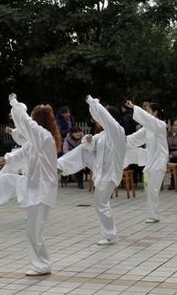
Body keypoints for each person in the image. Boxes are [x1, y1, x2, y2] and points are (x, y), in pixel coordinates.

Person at [0, 94, 61, 276]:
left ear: (37, 121)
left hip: (42, 191)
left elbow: (25, 122)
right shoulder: (35, 140)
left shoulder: (43, 137)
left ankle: (43, 265)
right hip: (32, 186)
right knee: (6, 179)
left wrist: (14, 102)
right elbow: (20, 153)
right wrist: (6, 159)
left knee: (34, 232)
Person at [58, 96, 126, 246]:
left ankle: (110, 235)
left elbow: (106, 119)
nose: (99, 121)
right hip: (102, 173)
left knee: (101, 202)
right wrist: (89, 140)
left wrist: (94, 103)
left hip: (110, 174)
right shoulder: (102, 135)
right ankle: (60, 166)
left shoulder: (118, 132)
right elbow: (91, 146)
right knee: (101, 203)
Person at [125, 101, 168, 223]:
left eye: (148, 111)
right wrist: (121, 140)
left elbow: (148, 120)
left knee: (153, 189)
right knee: (148, 188)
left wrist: (134, 107)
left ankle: (153, 215)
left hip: (159, 162)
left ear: (155, 113)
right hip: (150, 162)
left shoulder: (160, 125)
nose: (147, 113)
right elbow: (133, 139)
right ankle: (152, 214)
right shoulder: (147, 128)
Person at [168, 119, 177, 190]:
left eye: (176, 125)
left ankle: (173, 182)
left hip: (175, 154)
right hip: (169, 153)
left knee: (173, 159)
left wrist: (172, 154)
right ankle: (173, 182)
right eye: (174, 125)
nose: (175, 127)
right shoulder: (168, 134)